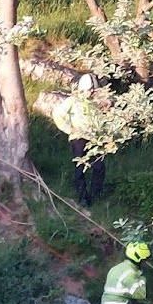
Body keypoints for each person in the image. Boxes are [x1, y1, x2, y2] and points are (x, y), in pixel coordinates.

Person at [51, 73, 105, 207]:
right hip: (78, 138)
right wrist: (70, 129)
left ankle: (94, 196)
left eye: (93, 89)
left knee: (99, 167)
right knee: (80, 168)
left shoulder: (95, 103)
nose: (91, 92)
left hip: (94, 140)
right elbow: (58, 114)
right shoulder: (73, 101)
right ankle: (82, 197)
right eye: (89, 89)